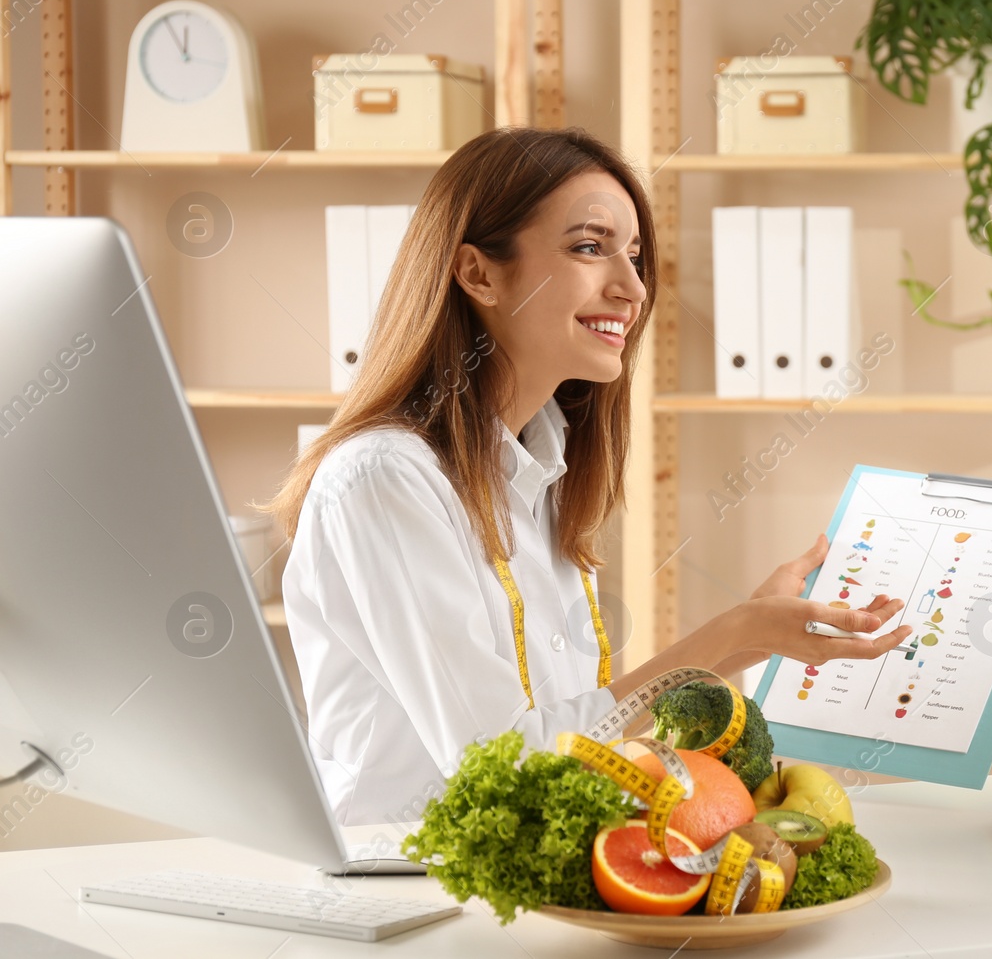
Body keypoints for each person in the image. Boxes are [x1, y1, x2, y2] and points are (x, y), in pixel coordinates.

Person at [264, 126, 911, 826]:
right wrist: (729, 633)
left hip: (518, 888)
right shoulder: (382, 479)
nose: (632, 289)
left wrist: (757, 636)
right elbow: (505, 766)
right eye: (588, 247)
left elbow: (578, 739)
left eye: (634, 257)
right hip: (406, 896)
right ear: (478, 273)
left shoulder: (542, 475)